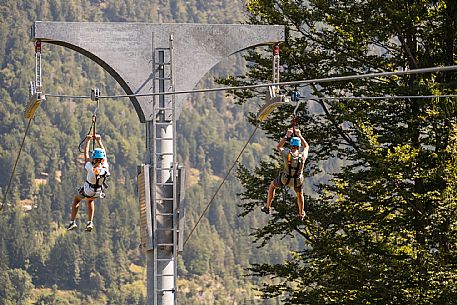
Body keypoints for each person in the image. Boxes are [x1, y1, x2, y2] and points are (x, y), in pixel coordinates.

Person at [261, 128, 309, 220]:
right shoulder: (302, 155)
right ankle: (301, 213)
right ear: (299, 146)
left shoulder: (287, 154)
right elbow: (306, 146)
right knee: (299, 195)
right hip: (297, 181)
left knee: (272, 186)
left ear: (291, 145)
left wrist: (287, 136)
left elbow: (279, 147)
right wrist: (300, 135)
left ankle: (267, 207)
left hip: (285, 179)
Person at [67, 134, 110, 231]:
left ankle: (72, 222)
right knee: (90, 200)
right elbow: (104, 154)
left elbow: (86, 154)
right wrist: (99, 141)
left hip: (88, 190)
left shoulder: (90, 167)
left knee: (76, 199)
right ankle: (89, 222)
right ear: (102, 159)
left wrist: (88, 140)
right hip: (98, 191)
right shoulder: (105, 167)